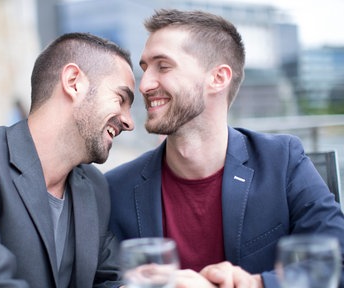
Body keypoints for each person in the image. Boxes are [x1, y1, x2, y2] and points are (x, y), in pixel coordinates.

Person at [105, 9, 344, 288]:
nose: (144, 84)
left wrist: (256, 284)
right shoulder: (114, 189)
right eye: (145, 68)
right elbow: (98, 280)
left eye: (163, 66)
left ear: (218, 78)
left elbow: (336, 260)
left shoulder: (283, 161)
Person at [0, 32, 136, 288]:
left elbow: (110, 280)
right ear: (74, 82)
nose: (129, 122)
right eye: (121, 99)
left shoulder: (95, 188)